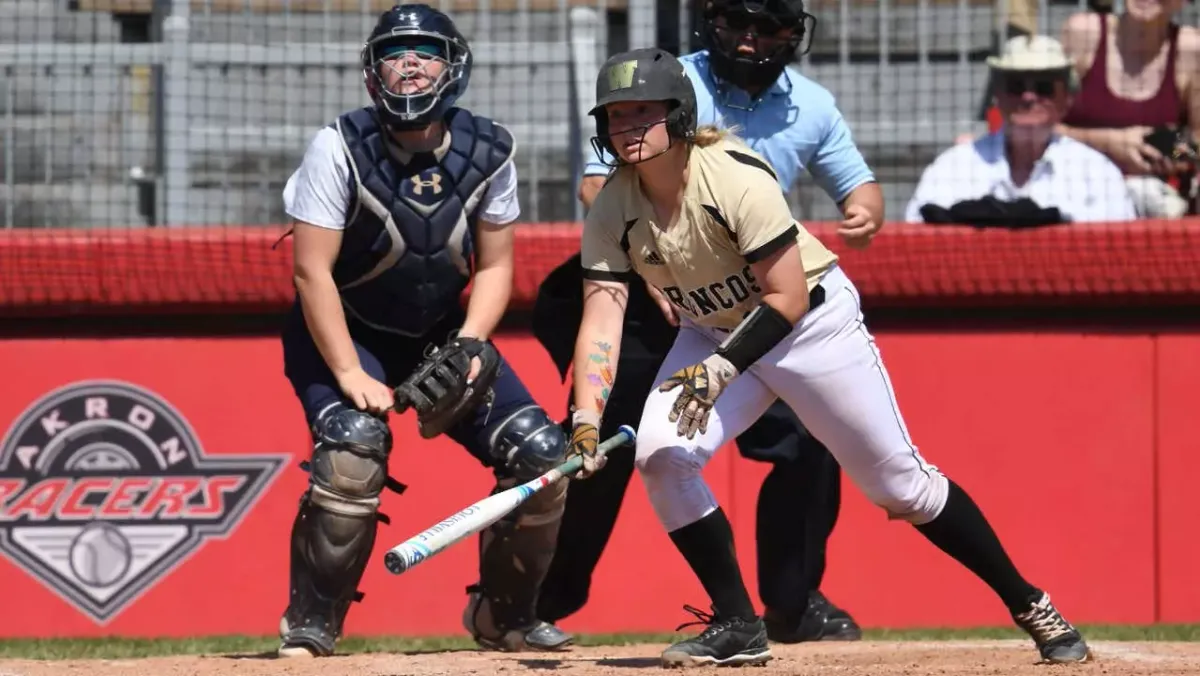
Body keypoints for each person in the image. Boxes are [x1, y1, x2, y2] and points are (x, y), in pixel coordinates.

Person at [563, 46, 1093, 668]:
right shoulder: (612, 205)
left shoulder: (734, 175)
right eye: (615, 115)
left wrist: (720, 368)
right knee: (661, 457)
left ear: (678, 114)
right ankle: (738, 623)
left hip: (809, 327)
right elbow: (602, 314)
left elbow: (786, 298)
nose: (626, 128)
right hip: (712, 331)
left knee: (902, 488)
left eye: (642, 112)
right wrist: (585, 418)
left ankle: (1030, 603)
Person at [534, 0, 880, 643]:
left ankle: (791, 602)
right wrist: (657, 267)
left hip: (747, 307)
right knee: (600, 440)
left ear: (794, 33)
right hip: (645, 298)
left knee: (808, 440)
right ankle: (541, 603)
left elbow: (858, 186)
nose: (751, 40)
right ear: (712, 24)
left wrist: (865, 209)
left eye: (770, 27)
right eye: (737, 24)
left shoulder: (814, 104)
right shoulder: (666, 80)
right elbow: (596, 189)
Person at [273, 4, 572, 657]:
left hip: (441, 328)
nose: (409, 64)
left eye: (425, 51)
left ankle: (506, 616)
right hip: (347, 330)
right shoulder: (338, 146)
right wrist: (350, 373)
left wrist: (470, 341)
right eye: (394, 51)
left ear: (452, 65)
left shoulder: (490, 149)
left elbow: (495, 266)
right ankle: (311, 623)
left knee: (544, 457)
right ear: (372, 69)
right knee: (353, 449)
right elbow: (311, 275)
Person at [907, 35, 1136, 225]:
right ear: (997, 96)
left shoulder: (1096, 174)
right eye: (1016, 85)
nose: (1028, 97)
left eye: (1043, 87)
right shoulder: (953, 168)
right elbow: (916, 239)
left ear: (1066, 99)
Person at [1058, 0, 1200, 218]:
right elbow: (1038, 129)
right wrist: (1111, 142)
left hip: (1157, 208)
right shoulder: (1084, 33)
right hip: (1078, 199)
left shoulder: (1190, 48)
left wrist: (1165, 147)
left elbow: (1195, 149)